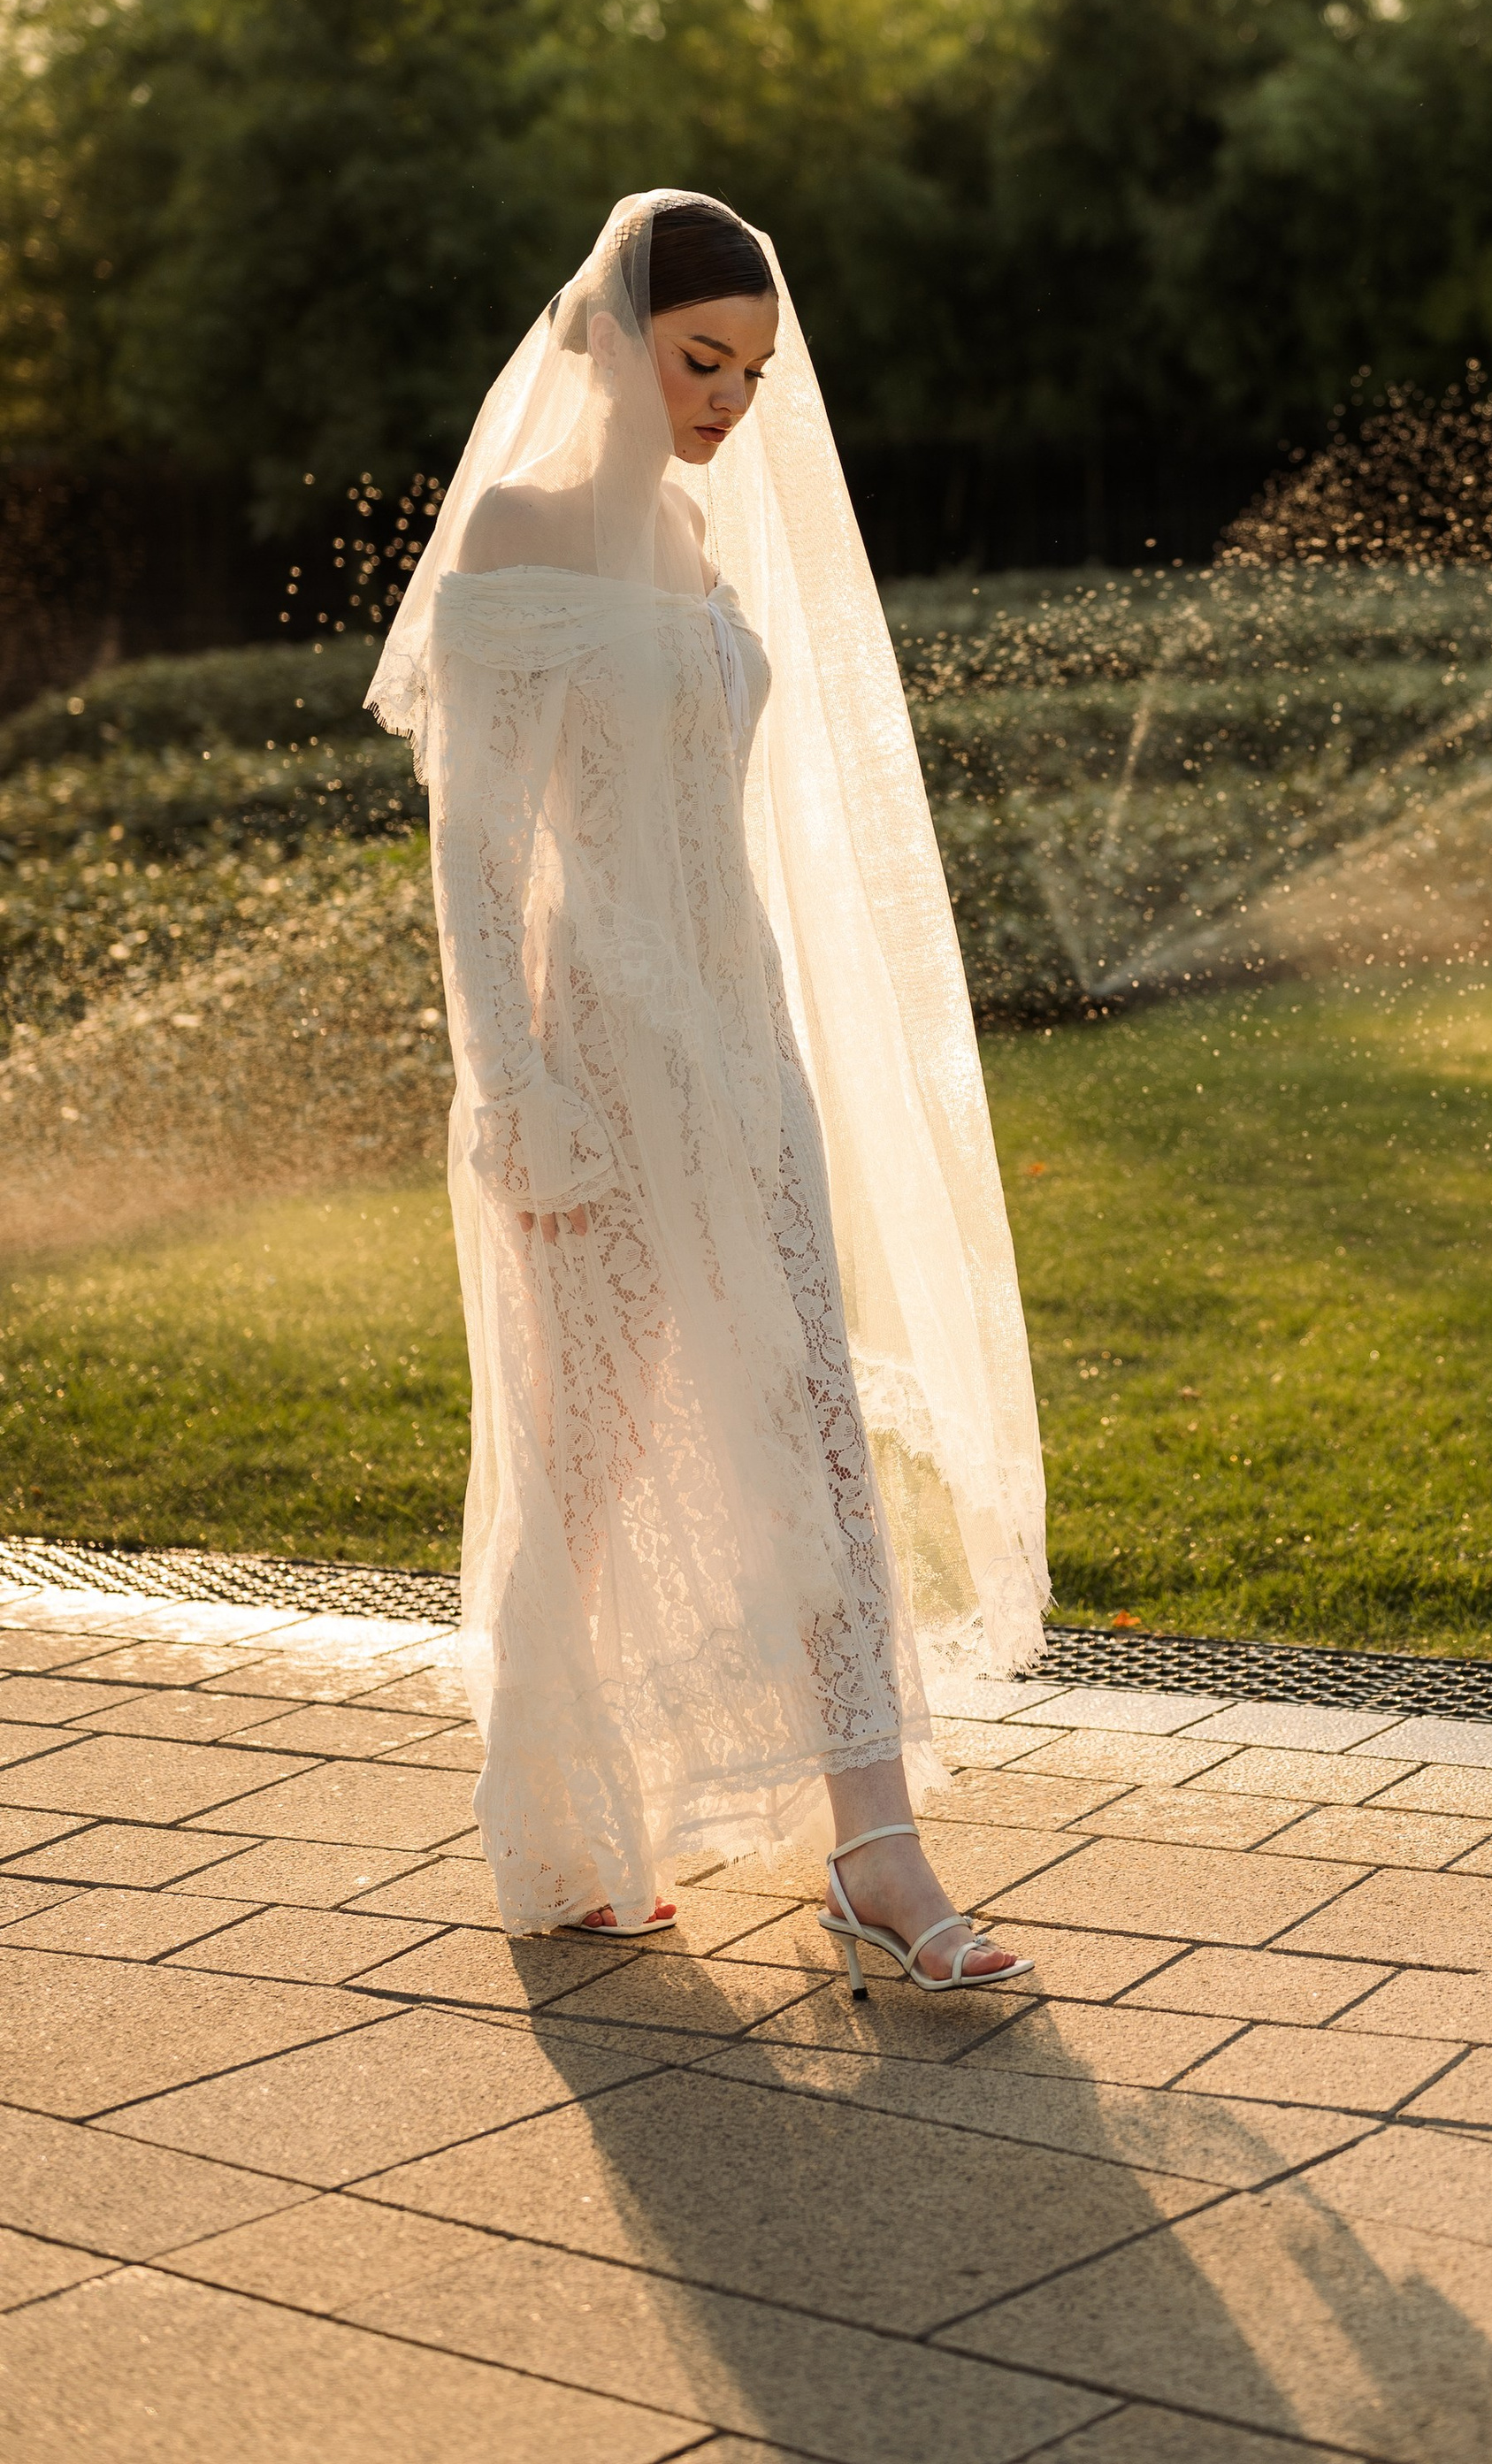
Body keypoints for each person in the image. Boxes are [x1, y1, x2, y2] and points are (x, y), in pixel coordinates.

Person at [370, 191, 1049, 1988]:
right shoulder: (519, 528)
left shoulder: (688, 530)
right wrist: (512, 1088)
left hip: (741, 1042)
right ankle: (567, 1819)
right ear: (609, 330)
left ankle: (878, 1852)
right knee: (586, 1457)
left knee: (814, 1420)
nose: (730, 398)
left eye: (754, 369)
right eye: (701, 359)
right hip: (586, 1052)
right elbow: (475, 853)